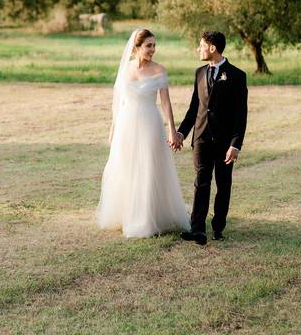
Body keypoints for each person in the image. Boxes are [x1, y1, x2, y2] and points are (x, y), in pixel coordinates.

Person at [96, 28, 190, 238]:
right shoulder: (125, 69)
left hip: (150, 123)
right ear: (136, 47)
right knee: (126, 167)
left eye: (154, 45)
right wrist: (113, 127)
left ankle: (147, 218)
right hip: (126, 124)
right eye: (149, 46)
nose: (153, 50)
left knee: (148, 167)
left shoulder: (159, 70)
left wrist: (172, 130)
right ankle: (126, 213)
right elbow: (118, 102)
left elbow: (165, 103)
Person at [171, 31, 248, 245]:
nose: (199, 49)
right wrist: (181, 133)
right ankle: (197, 229)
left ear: (212, 48)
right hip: (201, 138)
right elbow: (194, 108)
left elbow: (241, 115)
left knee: (223, 185)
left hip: (225, 143)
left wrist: (236, 145)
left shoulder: (237, 75)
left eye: (201, 45)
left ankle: (218, 227)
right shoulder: (199, 73)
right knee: (201, 182)